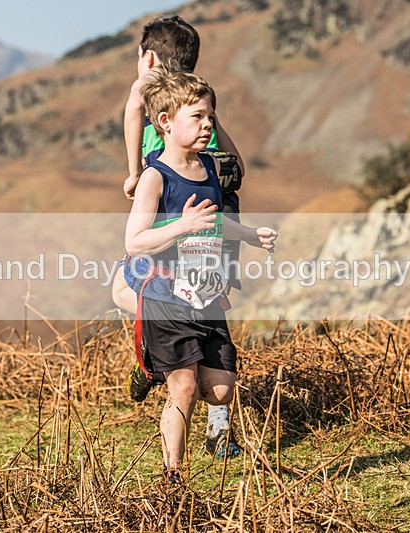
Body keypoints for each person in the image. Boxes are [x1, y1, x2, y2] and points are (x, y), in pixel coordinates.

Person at [124, 67, 276, 479]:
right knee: (185, 388)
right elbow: (134, 241)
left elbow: (214, 222)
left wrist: (250, 235)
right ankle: (173, 476)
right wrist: (181, 226)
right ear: (166, 122)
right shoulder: (155, 178)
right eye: (197, 116)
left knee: (221, 390)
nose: (208, 124)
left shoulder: (210, 168)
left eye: (210, 116)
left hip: (205, 294)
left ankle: (151, 365)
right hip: (164, 295)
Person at [113, 15, 247, 458]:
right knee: (205, 305)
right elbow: (237, 167)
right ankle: (215, 427)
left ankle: (155, 359)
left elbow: (134, 107)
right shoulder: (198, 108)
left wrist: (133, 172)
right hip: (213, 226)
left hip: (185, 226)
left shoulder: (160, 102)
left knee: (125, 289)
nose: (205, 123)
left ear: (148, 57)